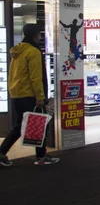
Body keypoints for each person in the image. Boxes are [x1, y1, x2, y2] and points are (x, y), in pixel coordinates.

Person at [0, 24, 59, 167]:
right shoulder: (33, 52)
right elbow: (35, 77)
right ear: (35, 35)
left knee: (19, 126)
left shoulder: (18, 50)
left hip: (17, 94)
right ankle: (41, 156)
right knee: (40, 123)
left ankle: (1, 153)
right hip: (29, 94)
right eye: (39, 34)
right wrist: (40, 96)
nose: (40, 37)